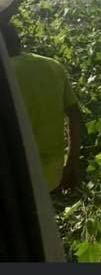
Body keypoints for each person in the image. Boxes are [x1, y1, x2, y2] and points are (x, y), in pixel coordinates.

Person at [1, 22, 82, 193]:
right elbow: (75, 117)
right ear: (17, 40)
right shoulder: (52, 65)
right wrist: (71, 164)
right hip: (52, 172)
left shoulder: (5, 73)